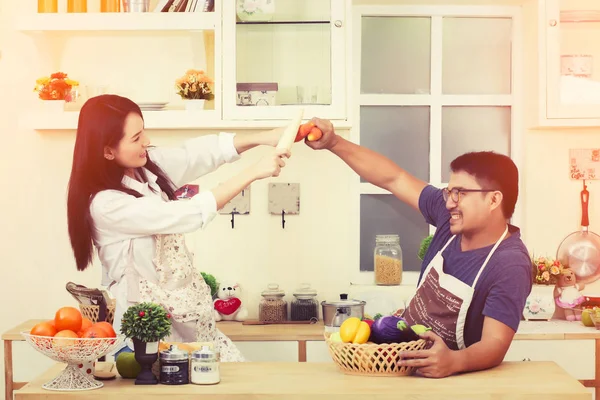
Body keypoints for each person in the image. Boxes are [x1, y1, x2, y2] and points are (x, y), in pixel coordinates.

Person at [67, 94, 289, 361]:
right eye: (136, 138)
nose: (146, 142)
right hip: (146, 335)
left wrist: (265, 137)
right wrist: (253, 172)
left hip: (190, 322)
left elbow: (197, 154)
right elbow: (187, 213)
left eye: (143, 132)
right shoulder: (106, 204)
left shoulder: (144, 168)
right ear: (107, 150)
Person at [305, 118, 532, 378]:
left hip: (451, 382)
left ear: (493, 199)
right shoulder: (450, 220)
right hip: (403, 363)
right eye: (449, 192)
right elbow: (393, 178)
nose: (449, 203)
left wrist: (454, 362)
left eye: (461, 193)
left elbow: (495, 344)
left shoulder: (510, 263)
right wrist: (334, 142)